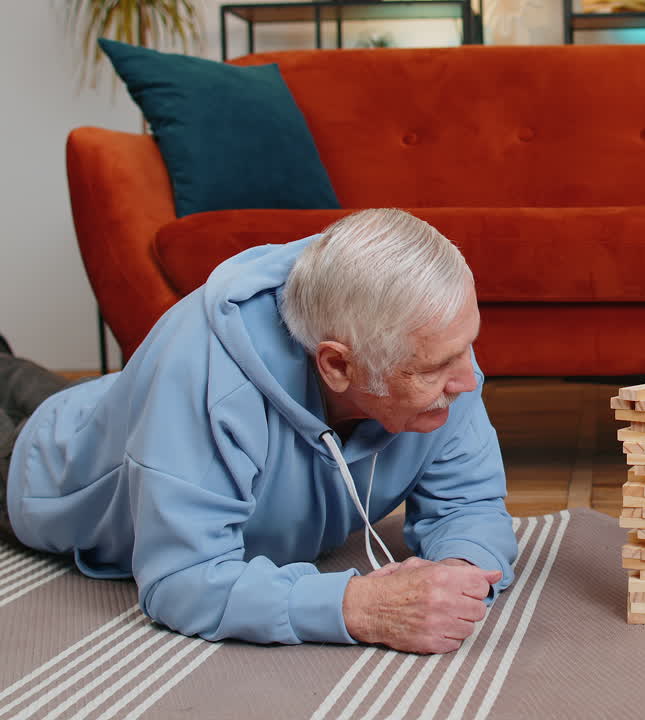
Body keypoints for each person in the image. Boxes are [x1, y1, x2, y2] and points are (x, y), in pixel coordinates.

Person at [1, 208, 516, 655]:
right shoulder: (202, 382)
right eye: (434, 368)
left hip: (104, 405)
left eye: (466, 347)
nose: (469, 381)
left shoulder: (436, 355)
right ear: (337, 365)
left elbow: (469, 505)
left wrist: (460, 572)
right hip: (40, 474)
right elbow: (181, 581)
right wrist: (359, 606)